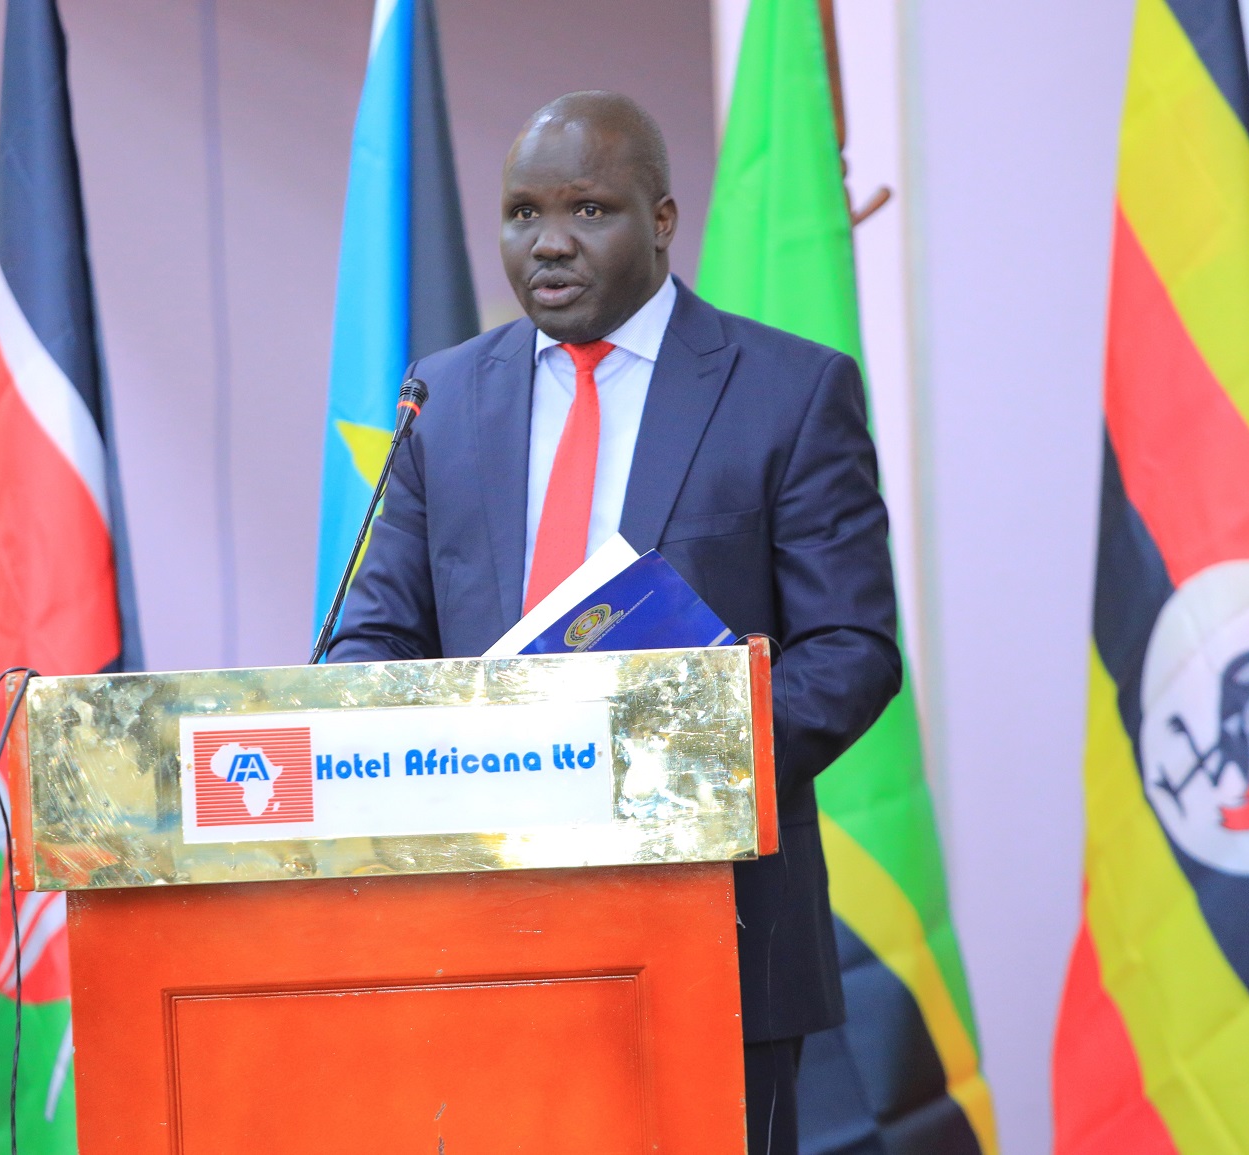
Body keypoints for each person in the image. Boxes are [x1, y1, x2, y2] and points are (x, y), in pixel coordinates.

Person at [326, 90, 901, 1152]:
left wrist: (670, 769)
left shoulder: (788, 391)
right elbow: (374, 641)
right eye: (522, 213)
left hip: (715, 922)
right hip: (479, 927)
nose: (548, 243)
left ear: (664, 219)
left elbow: (853, 653)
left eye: (589, 211)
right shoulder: (440, 401)